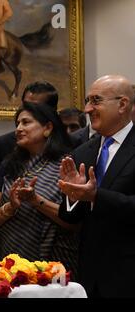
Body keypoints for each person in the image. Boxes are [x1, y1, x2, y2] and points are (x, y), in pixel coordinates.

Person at [58, 75, 135, 297]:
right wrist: (73, 196)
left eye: (96, 101)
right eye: (87, 101)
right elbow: (69, 217)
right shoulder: (82, 152)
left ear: (122, 104)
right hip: (89, 277)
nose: (88, 109)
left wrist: (95, 196)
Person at [0, 102, 79, 277]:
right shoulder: (10, 166)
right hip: (7, 265)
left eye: (26, 122)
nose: (18, 129)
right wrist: (10, 208)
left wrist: (36, 201)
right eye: (17, 124)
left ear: (48, 128)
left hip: (54, 266)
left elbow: (74, 222)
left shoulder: (66, 166)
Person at [0, 80, 59, 175]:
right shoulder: (2, 145)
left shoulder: (70, 147)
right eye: (26, 106)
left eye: (35, 108)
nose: (27, 111)